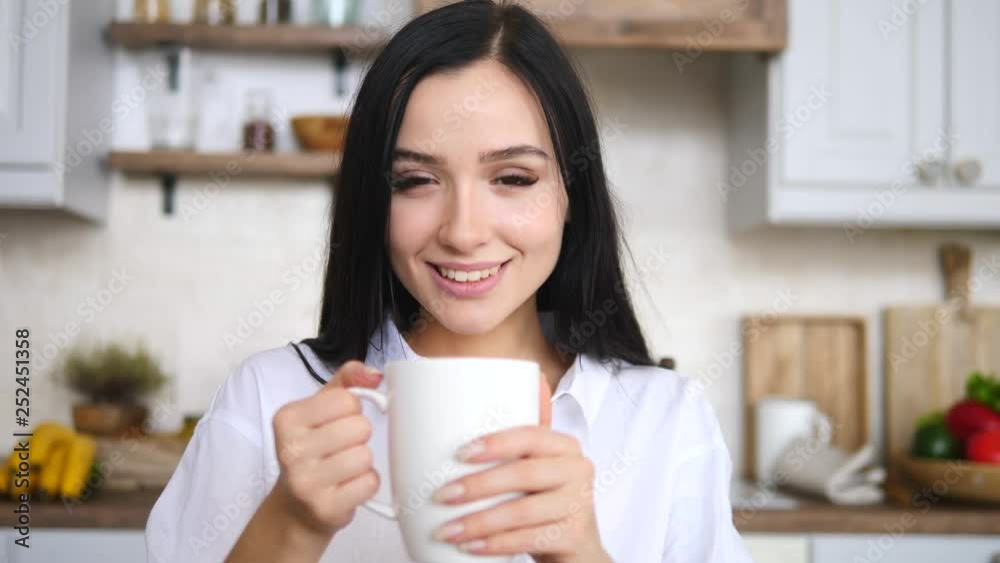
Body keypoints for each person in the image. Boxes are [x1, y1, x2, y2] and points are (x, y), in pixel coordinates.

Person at [145, 1, 752, 561]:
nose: (463, 231)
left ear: (572, 196)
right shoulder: (270, 399)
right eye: (415, 181)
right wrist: (294, 522)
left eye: (513, 178)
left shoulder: (668, 422)